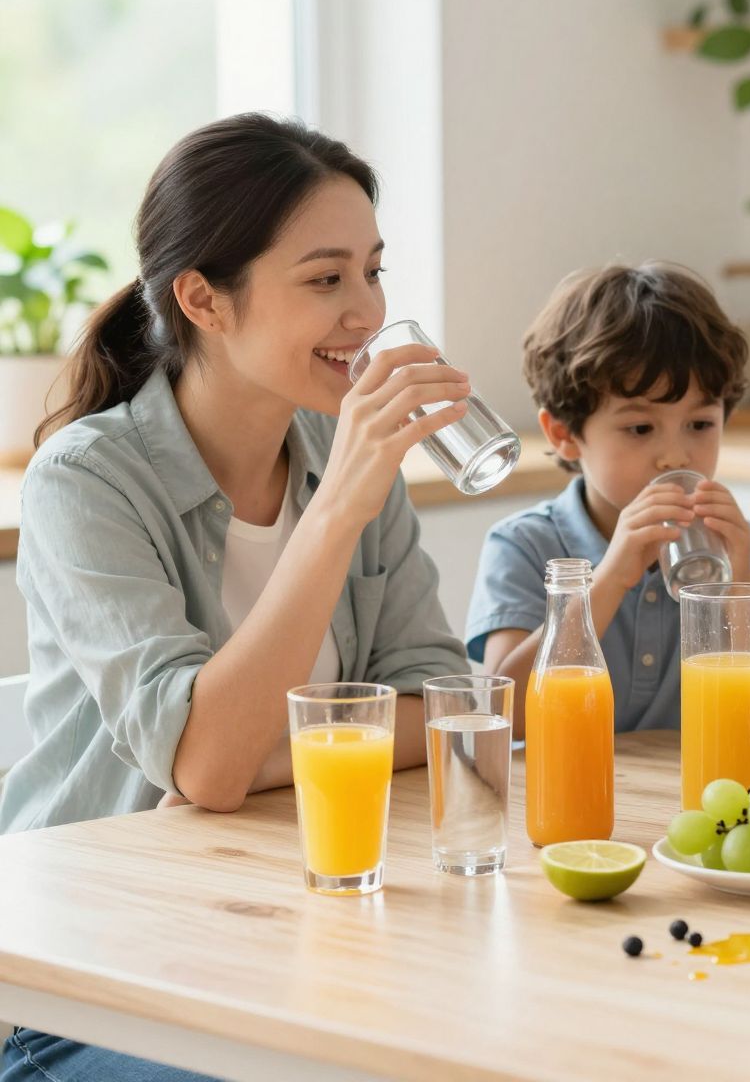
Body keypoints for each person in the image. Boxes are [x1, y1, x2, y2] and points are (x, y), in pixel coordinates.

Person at [1, 114, 469, 1080]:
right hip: (97, 986)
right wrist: (338, 510)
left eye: (373, 272)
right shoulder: (86, 484)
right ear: (204, 301)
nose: (369, 313)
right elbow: (209, 765)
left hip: (293, 948)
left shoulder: (342, 464)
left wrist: (262, 754)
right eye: (325, 279)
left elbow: (448, 704)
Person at [468, 263, 750, 735]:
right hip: (564, 795)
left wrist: (738, 590)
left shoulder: (745, 548)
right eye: (640, 429)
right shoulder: (526, 546)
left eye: (700, 424)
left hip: (691, 798)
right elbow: (505, 714)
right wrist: (610, 577)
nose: (676, 455)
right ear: (564, 436)